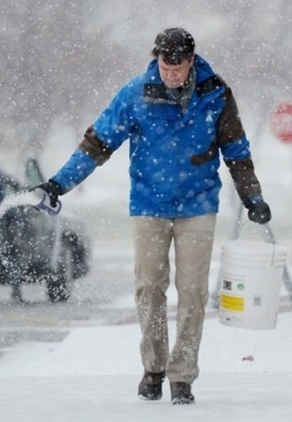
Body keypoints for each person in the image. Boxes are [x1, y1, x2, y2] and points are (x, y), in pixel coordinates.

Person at [37, 27, 271, 405]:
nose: (171, 75)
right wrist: (58, 184)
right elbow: (97, 142)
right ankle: (154, 367)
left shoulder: (216, 94)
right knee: (149, 287)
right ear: (157, 59)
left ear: (191, 61)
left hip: (198, 204)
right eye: (165, 67)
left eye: (178, 69)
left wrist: (253, 197)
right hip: (149, 204)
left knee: (193, 292)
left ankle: (182, 375)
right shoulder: (136, 94)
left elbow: (237, 150)